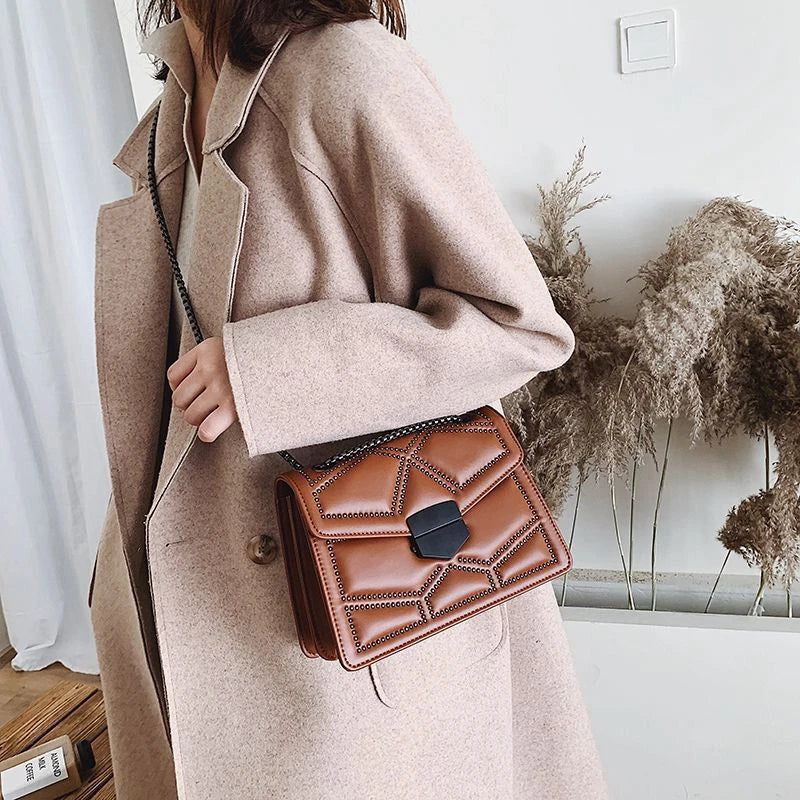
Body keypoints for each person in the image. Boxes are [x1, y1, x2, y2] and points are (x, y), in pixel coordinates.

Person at [90, 1, 608, 798]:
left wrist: (270, 369)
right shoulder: (174, 108)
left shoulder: (345, 69)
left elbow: (517, 325)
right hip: (199, 625)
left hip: (352, 646)